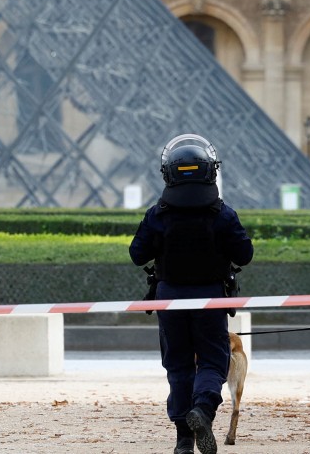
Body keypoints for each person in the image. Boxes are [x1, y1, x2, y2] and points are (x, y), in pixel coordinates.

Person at [130, 134, 253, 454]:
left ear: (167, 173)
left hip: (169, 296)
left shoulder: (157, 214)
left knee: (178, 366)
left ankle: (183, 439)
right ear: (210, 171)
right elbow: (245, 255)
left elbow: (137, 254)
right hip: (210, 297)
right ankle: (203, 409)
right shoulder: (222, 214)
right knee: (213, 361)